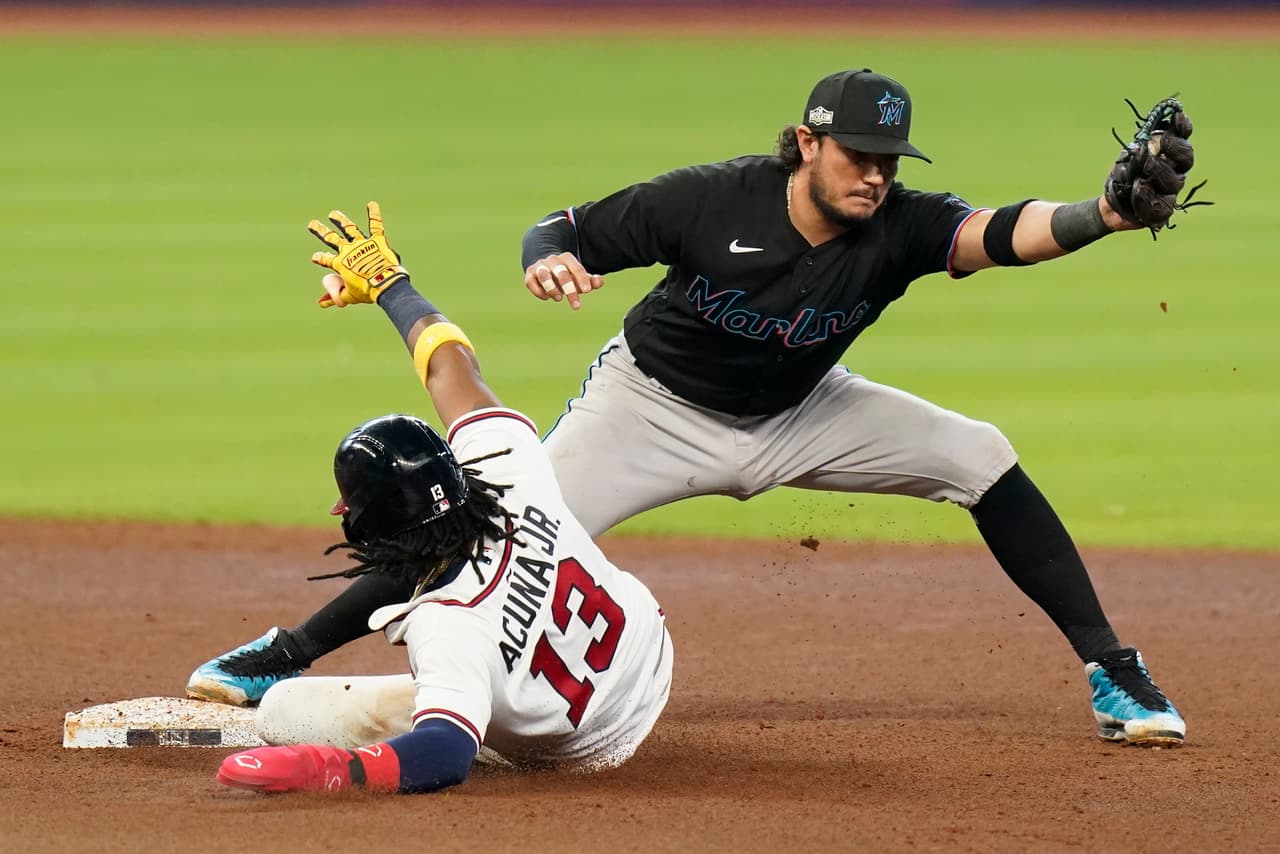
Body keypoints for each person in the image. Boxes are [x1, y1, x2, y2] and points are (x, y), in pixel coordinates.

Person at [191, 69, 1197, 748]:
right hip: (650, 408)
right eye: (855, 154)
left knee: (978, 454)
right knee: (481, 530)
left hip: (805, 407)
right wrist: (548, 260)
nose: (874, 174)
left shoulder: (897, 224)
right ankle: (278, 656)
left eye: (888, 159)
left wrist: (1102, 215)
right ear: (806, 143)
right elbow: (565, 224)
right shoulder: (714, 201)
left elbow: (1001, 231)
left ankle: (1114, 671)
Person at [210, 203, 672, 794]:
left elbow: (444, 754)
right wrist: (391, 285)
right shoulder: (506, 462)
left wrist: (327, 770)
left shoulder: (447, 627)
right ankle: (299, 652)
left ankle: (296, 672)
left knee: (284, 712)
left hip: (592, 750)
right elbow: (451, 366)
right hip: (647, 649)